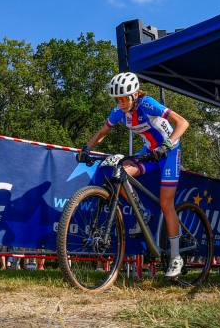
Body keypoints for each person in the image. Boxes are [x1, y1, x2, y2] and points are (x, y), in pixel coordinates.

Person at [78, 72, 190, 278]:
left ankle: (176, 257)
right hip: (149, 152)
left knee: (166, 204)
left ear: (135, 94)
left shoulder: (148, 104)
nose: (120, 103)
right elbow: (103, 132)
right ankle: (142, 213)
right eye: (116, 99)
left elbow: (183, 123)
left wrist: (166, 145)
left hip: (169, 152)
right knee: (119, 173)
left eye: (123, 98)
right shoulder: (119, 111)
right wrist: (86, 148)